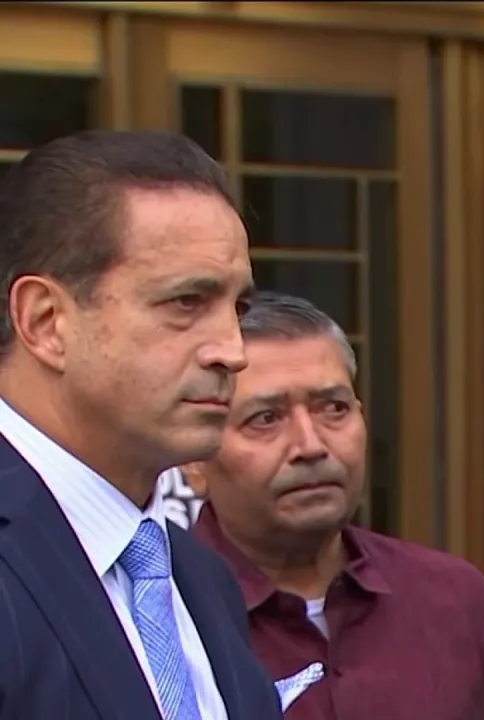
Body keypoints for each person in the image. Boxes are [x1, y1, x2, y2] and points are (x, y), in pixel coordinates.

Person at [0, 130, 281, 718]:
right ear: (46, 322)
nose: (233, 351)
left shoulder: (200, 579)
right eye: (186, 303)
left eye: (238, 309)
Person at [180, 291, 484, 720]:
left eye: (334, 409)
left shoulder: (454, 602)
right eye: (266, 418)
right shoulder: (159, 618)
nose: (311, 445)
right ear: (194, 460)